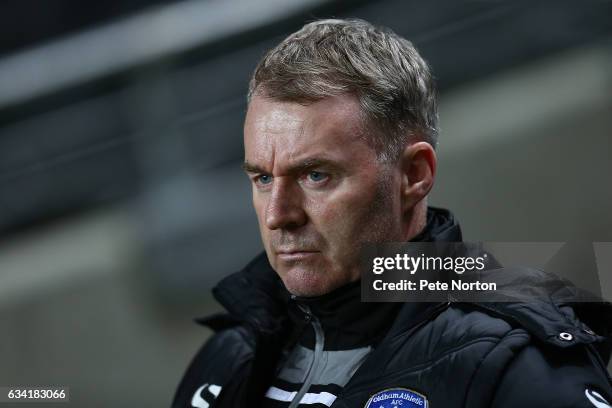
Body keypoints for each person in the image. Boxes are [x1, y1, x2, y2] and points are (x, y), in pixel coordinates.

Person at [172, 19, 612, 408]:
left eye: (316, 175)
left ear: (413, 175)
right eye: (263, 179)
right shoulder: (231, 353)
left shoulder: (511, 363)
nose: (278, 216)